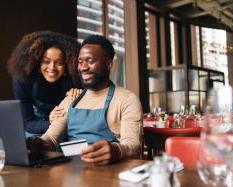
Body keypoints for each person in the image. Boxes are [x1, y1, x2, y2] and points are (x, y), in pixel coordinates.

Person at [39, 35, 143, 165]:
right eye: (80, 61)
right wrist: (35, 144)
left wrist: (117, 150)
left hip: (109, 175)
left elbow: (134, 145)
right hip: (71, 174)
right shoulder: (71, 99)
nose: (83, 67)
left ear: (109, 64)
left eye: (90, 61)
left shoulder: (127, 99)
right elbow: (51, 138)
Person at [7, 31, 82, 137]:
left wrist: (80, 96)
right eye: (46, 61)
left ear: (67, 65)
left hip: (67, 125)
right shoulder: (22, 81)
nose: (52, 68)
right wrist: (51, 122)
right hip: (35, 127)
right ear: (37, 63)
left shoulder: (75, 81)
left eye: (59, 63)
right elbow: (28, 123)